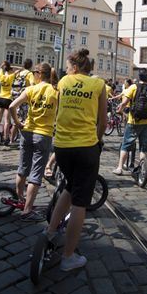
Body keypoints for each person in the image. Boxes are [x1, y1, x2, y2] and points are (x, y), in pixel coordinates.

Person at [46, 49, 107, 271]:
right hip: (86, 147)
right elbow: (102, 122)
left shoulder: (63, 82)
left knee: (69, 187)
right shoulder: (98, 85)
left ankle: (50, 233)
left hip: (61, 146)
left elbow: (60, 110)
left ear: (73, 66)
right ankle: (68, 257)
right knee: (80, 202)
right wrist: (97, 141)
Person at [9, 63, 58, 221]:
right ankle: (27, 210)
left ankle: (20, 200)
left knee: (23, 168)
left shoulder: (30, 89)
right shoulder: (55, 91)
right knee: (36, 173)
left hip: (27, 132)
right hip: (43, 135)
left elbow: (11, 107)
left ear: (38, 74)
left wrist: (17, 123)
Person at [112, 68, 147, 175]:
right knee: (144, 147)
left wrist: (120, 109)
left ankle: (119, 168)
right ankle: (143, 170)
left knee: (126, 144)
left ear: (139, 77)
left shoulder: (133, 87)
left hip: (134, 121)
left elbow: (125, 102)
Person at [0, 61, 19, 144]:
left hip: (0, 98)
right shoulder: (11, 76)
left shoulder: (1, 76)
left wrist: (4, 66)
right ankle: (6, 138)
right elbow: (20, 70)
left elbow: (1, 68)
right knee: (7, 121)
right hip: (8, 99)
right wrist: (13, 67)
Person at [10, 58, 34, 141]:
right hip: (24, 100)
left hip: (16, 98)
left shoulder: (19, 73)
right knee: (25, 120)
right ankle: (24, 139)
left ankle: (11, 140)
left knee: (16, 120)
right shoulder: (29, 74)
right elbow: (32, 85)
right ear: (31, 65)